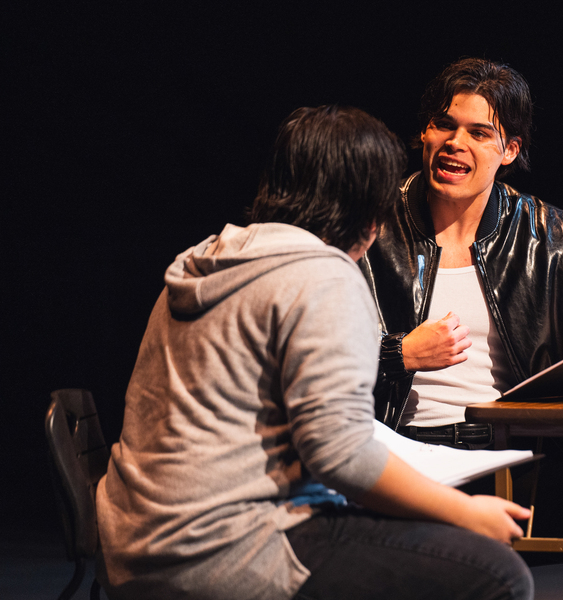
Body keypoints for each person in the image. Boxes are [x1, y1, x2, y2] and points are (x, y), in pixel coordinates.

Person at [95, 105, 534, 600]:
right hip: (225, 547)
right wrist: (464, 511)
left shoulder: (209, 260)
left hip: (131, 544)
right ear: (369, 205)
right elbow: (339, 454)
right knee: (500, 574)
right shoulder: (321, 277)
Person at [358, 59, 563, 600]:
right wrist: (398, 353)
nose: (454, 144)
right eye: (444, 125)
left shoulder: (552, 235)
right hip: (396, 460)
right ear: (423, 132)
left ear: (510, 150)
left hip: (506, 458)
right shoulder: (367, 226)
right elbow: (302, 351)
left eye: (478, 133)